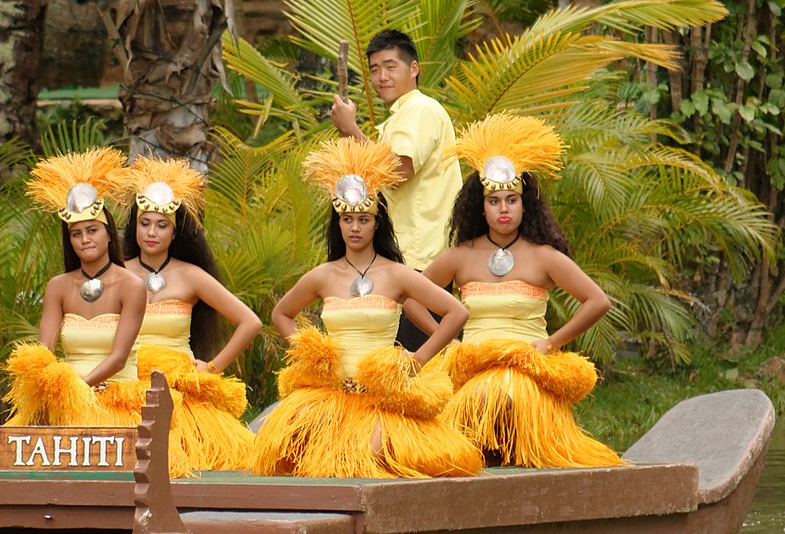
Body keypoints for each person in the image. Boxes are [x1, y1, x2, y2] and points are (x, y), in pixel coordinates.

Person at [252, 137, 482, 479]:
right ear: (338, 223)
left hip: (381, 399)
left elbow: (456, 313)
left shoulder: (396, 274)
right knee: (291, 448)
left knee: (370, 456)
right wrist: (308, 351)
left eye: (363, 219)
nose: (354, 227)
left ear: (378, 223)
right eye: (347, 219)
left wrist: (417, 361)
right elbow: (281, 314)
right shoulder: (323, 276)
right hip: (330, 397)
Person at [420, 113, 622, 468]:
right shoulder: (459, 257)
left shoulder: (543, 256)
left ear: (524, 204)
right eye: (494, 200)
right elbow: (410, 300)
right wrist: (447, 342)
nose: (503, 209)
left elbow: (597, 301)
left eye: (511, 199)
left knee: (502, 393)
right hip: (473, 370)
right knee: (472, 409)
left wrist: (550, 343)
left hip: (525, 371)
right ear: (480, 207)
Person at [0, 147, 148, 478]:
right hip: (66, 395)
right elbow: (44, 351)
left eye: (92, 230)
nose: (84, 239)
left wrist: (77, 389)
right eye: (75, 233)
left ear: (108, 232)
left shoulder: (131, 285)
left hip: (115, 397)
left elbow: (119, 357)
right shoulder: (59, 286)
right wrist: (48, 393)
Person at [120, 156, 263, 471]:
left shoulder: (191, 276)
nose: (152, 232)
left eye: (162, 225)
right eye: (145, 223)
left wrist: (211, 368)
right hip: (127, 388)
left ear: (175, 232)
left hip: (180, 391)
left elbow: (250, 322)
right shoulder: (118, 275)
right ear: (135, 226)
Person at [330, 29, 463, 351]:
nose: (381, 76)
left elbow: (399, 170)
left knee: (416, 358)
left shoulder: (419, 109)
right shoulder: (400, 117)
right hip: (410, 253)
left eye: (391, 66)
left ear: (413, 69)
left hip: (422, 253)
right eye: (374, 69)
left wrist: (351, 128)